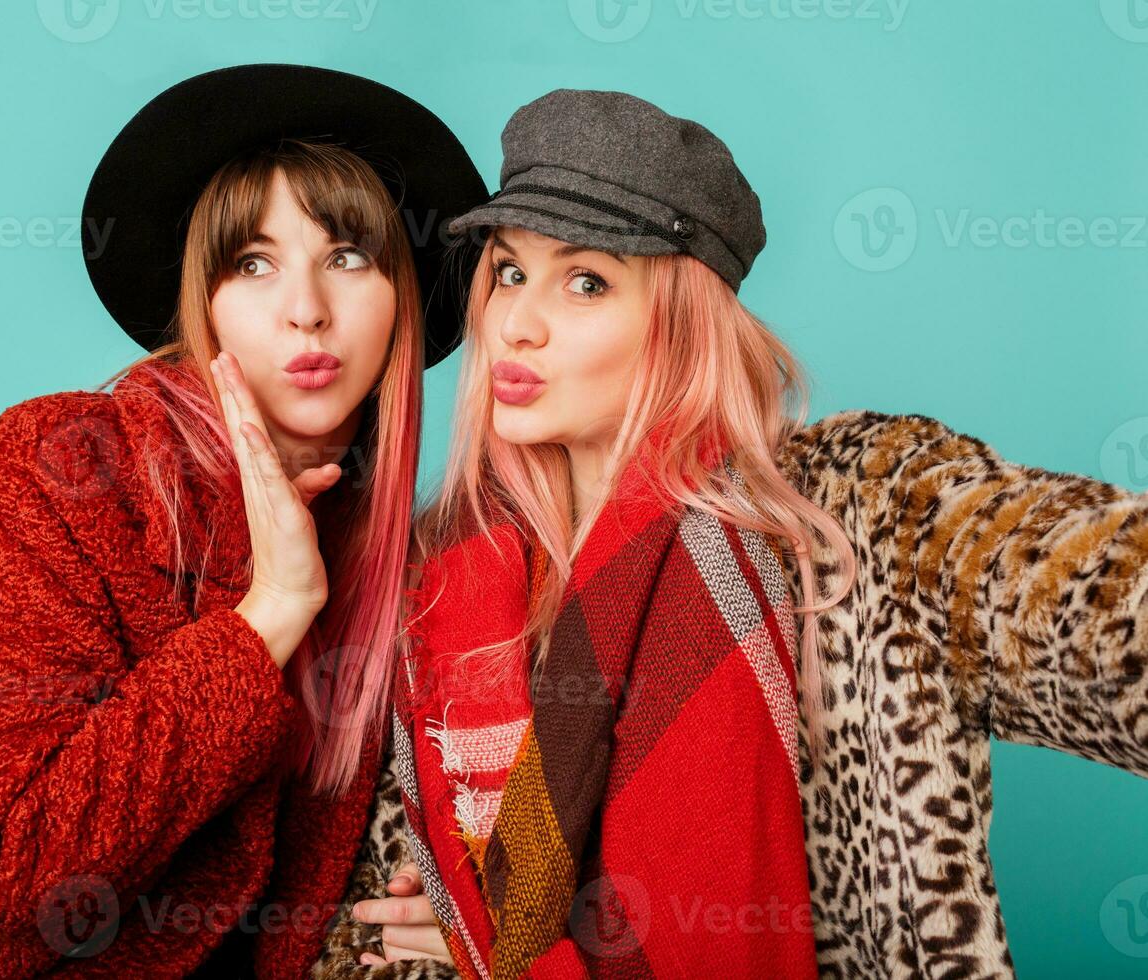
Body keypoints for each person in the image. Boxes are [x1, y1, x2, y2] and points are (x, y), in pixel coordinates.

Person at [322, 88, 1148, 979]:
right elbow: (352, 928)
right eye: (511, 271)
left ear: (681, 320)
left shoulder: (860, 513)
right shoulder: (436, 581)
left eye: (587, 280)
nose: (515, 322)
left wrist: (489, 960)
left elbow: (1098, 601)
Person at [0, 63, 486, 979]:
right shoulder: (59, 468)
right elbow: (12, 863)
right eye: (254, 263)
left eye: (347, 258)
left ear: (402, 294)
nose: (307, 310)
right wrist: (268, 613)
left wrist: (467, 924)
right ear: (204, 302)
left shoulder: (407, 559)